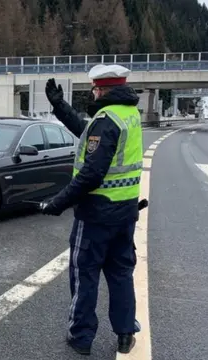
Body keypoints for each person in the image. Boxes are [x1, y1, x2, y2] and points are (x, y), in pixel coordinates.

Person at [39, 64, 143, 355]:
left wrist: (58, 202)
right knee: (121, 273)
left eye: (95, 89)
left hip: (97, 214)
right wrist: (60, 106)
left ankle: (81, 337)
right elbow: (88, 134)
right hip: (125, 212)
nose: (94, 93)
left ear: (103, 89)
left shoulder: (107, 118)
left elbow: (92, 174)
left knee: (84, 275)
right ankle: (125, 334)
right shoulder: (129, 115)